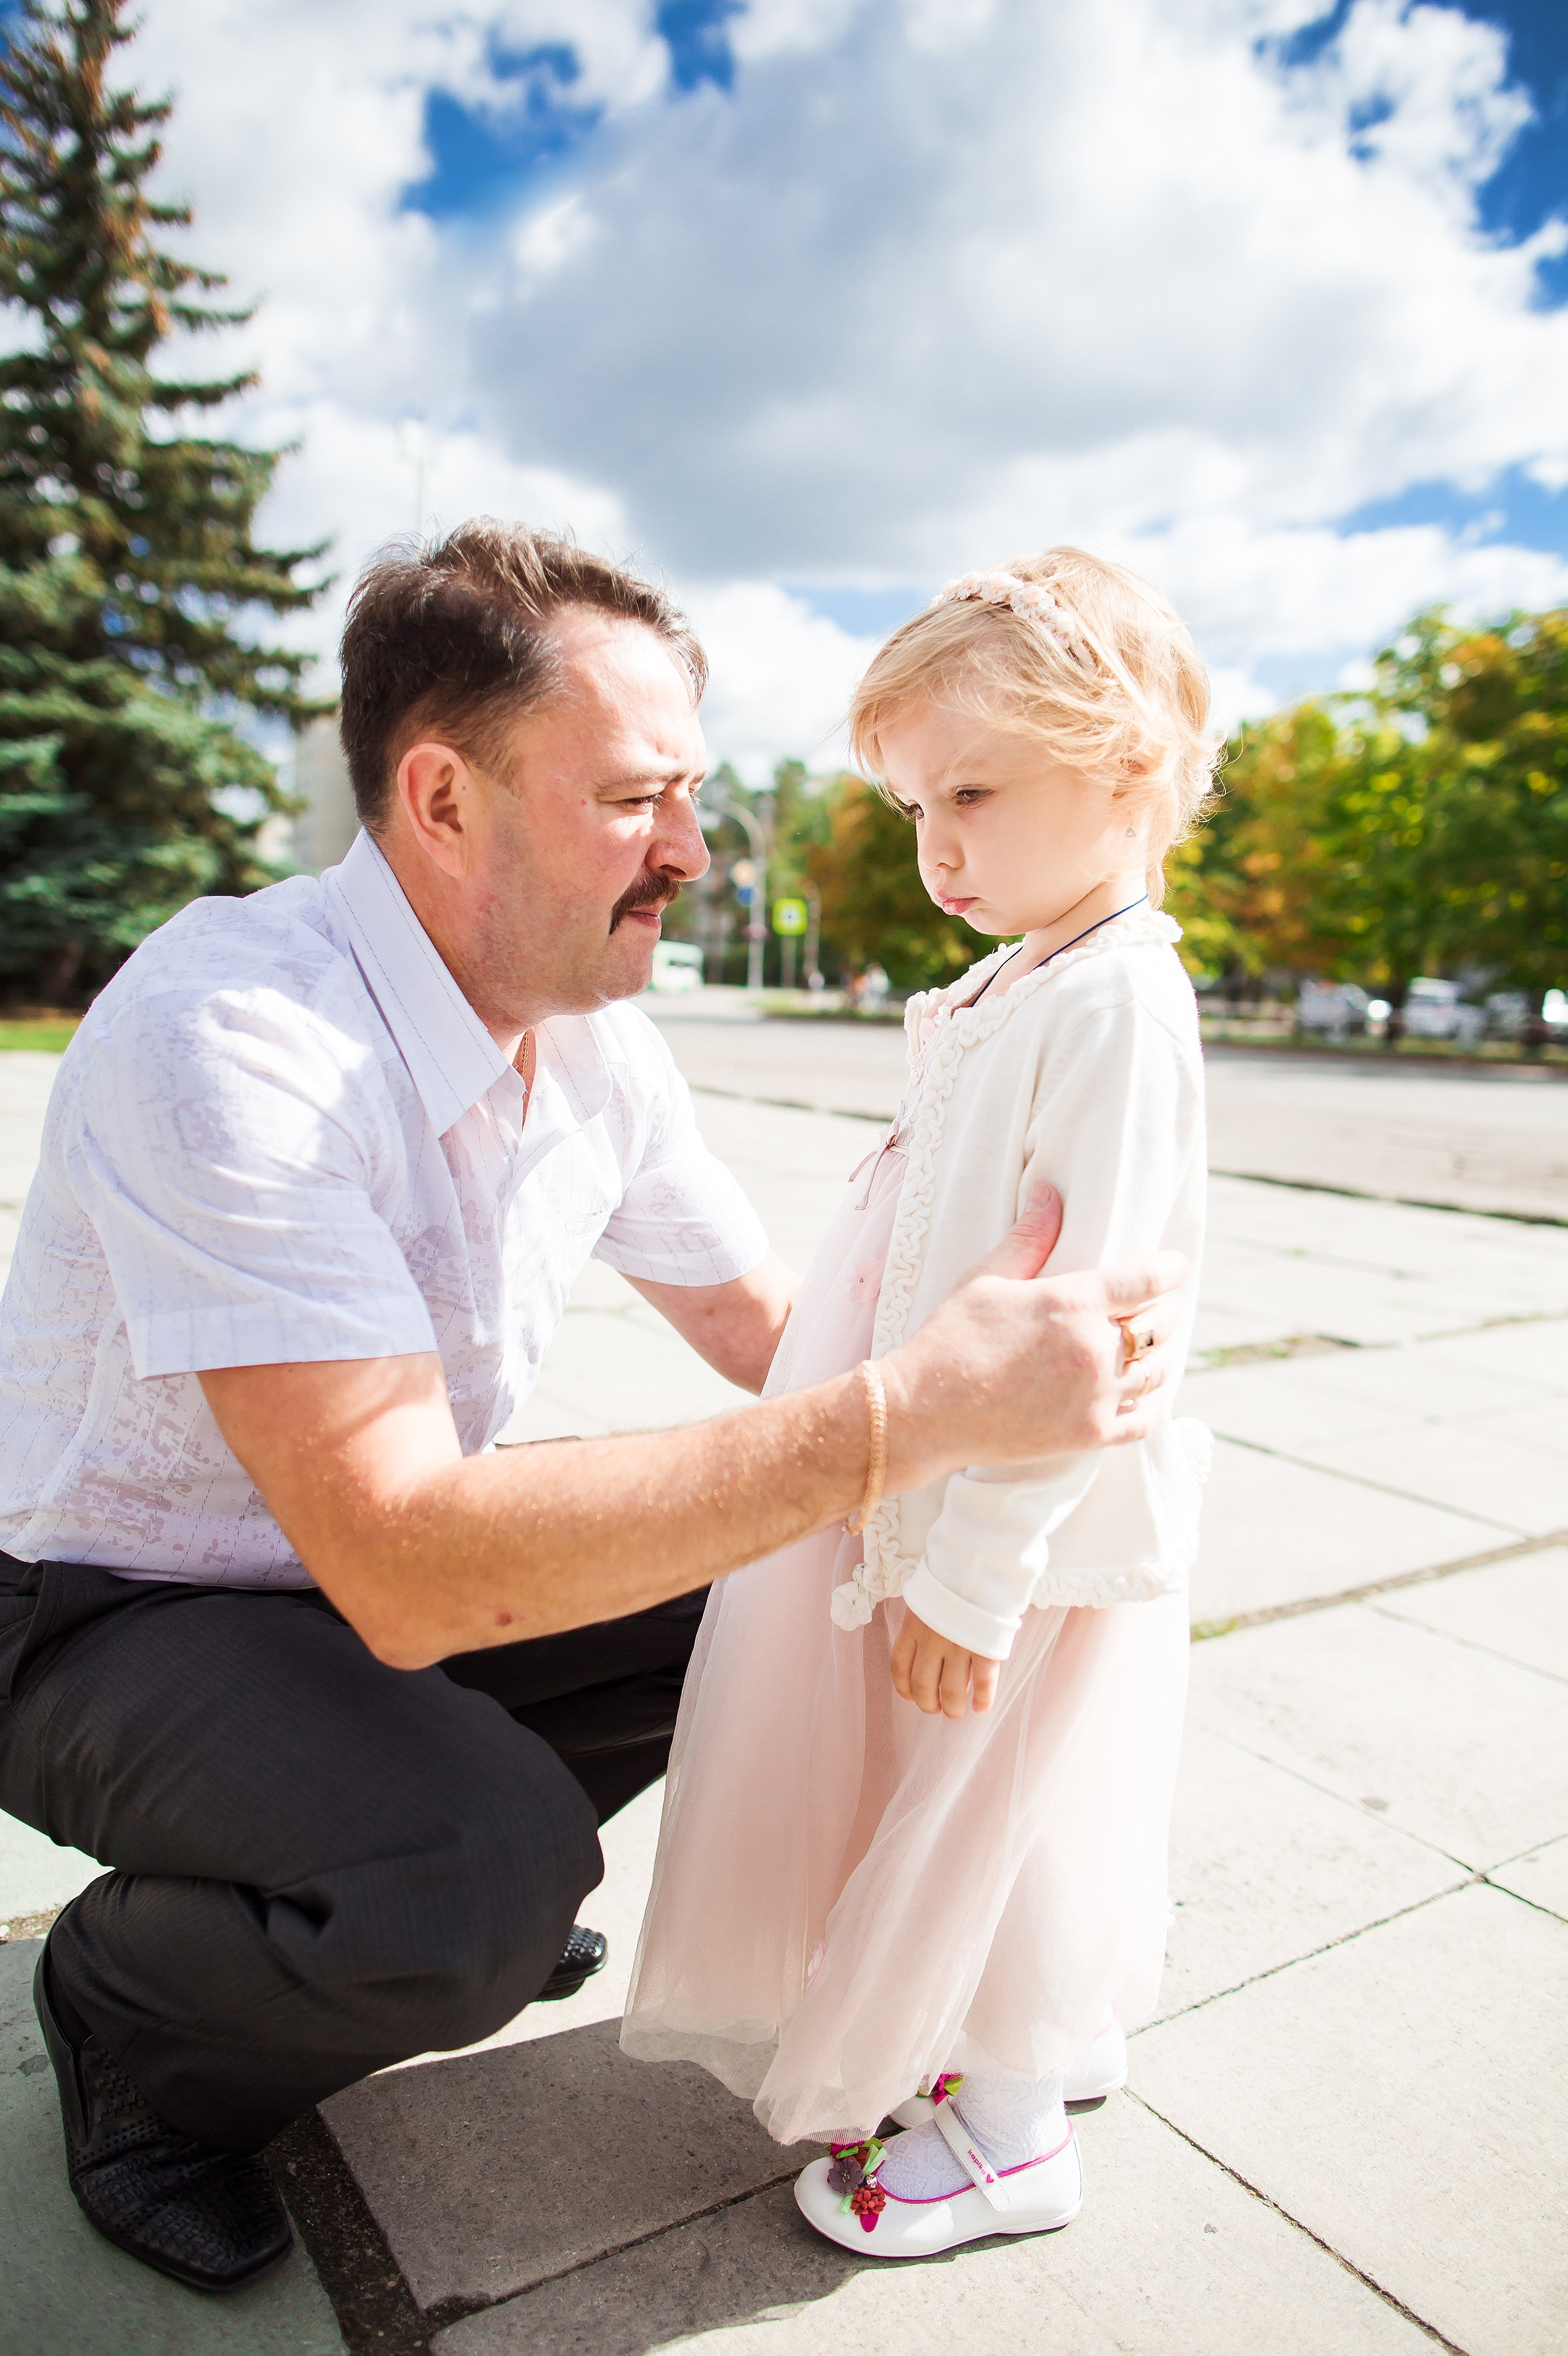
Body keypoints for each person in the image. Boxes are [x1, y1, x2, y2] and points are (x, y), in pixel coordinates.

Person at [0, 523, 1187, 2295]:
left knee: (788, 1584)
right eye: (641, 797)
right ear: (443, 798)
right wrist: (907, 1416)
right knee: (476, 1876)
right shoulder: (237, 1034)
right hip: (102, 1619)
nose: (695, 850)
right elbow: (403, 1560)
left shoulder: (595, 1036)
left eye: (689, 793)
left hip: (336, 1600)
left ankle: (370, 1855)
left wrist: (992, 1499)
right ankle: (139, 2014)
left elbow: (765, 1327)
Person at [622, 548, 1214, 2257]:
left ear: (1121, 772)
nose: (934, 843)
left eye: (971, 791)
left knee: (999, 1801)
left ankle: (1016, 2128)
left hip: (1022, 1527)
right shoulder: (1037, 973)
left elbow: (1080, 1322)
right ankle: (1034, 2037)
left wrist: (973, 1570)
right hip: (952, 1492)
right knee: (985, 1797)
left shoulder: (1112, 999)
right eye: (909, 804)